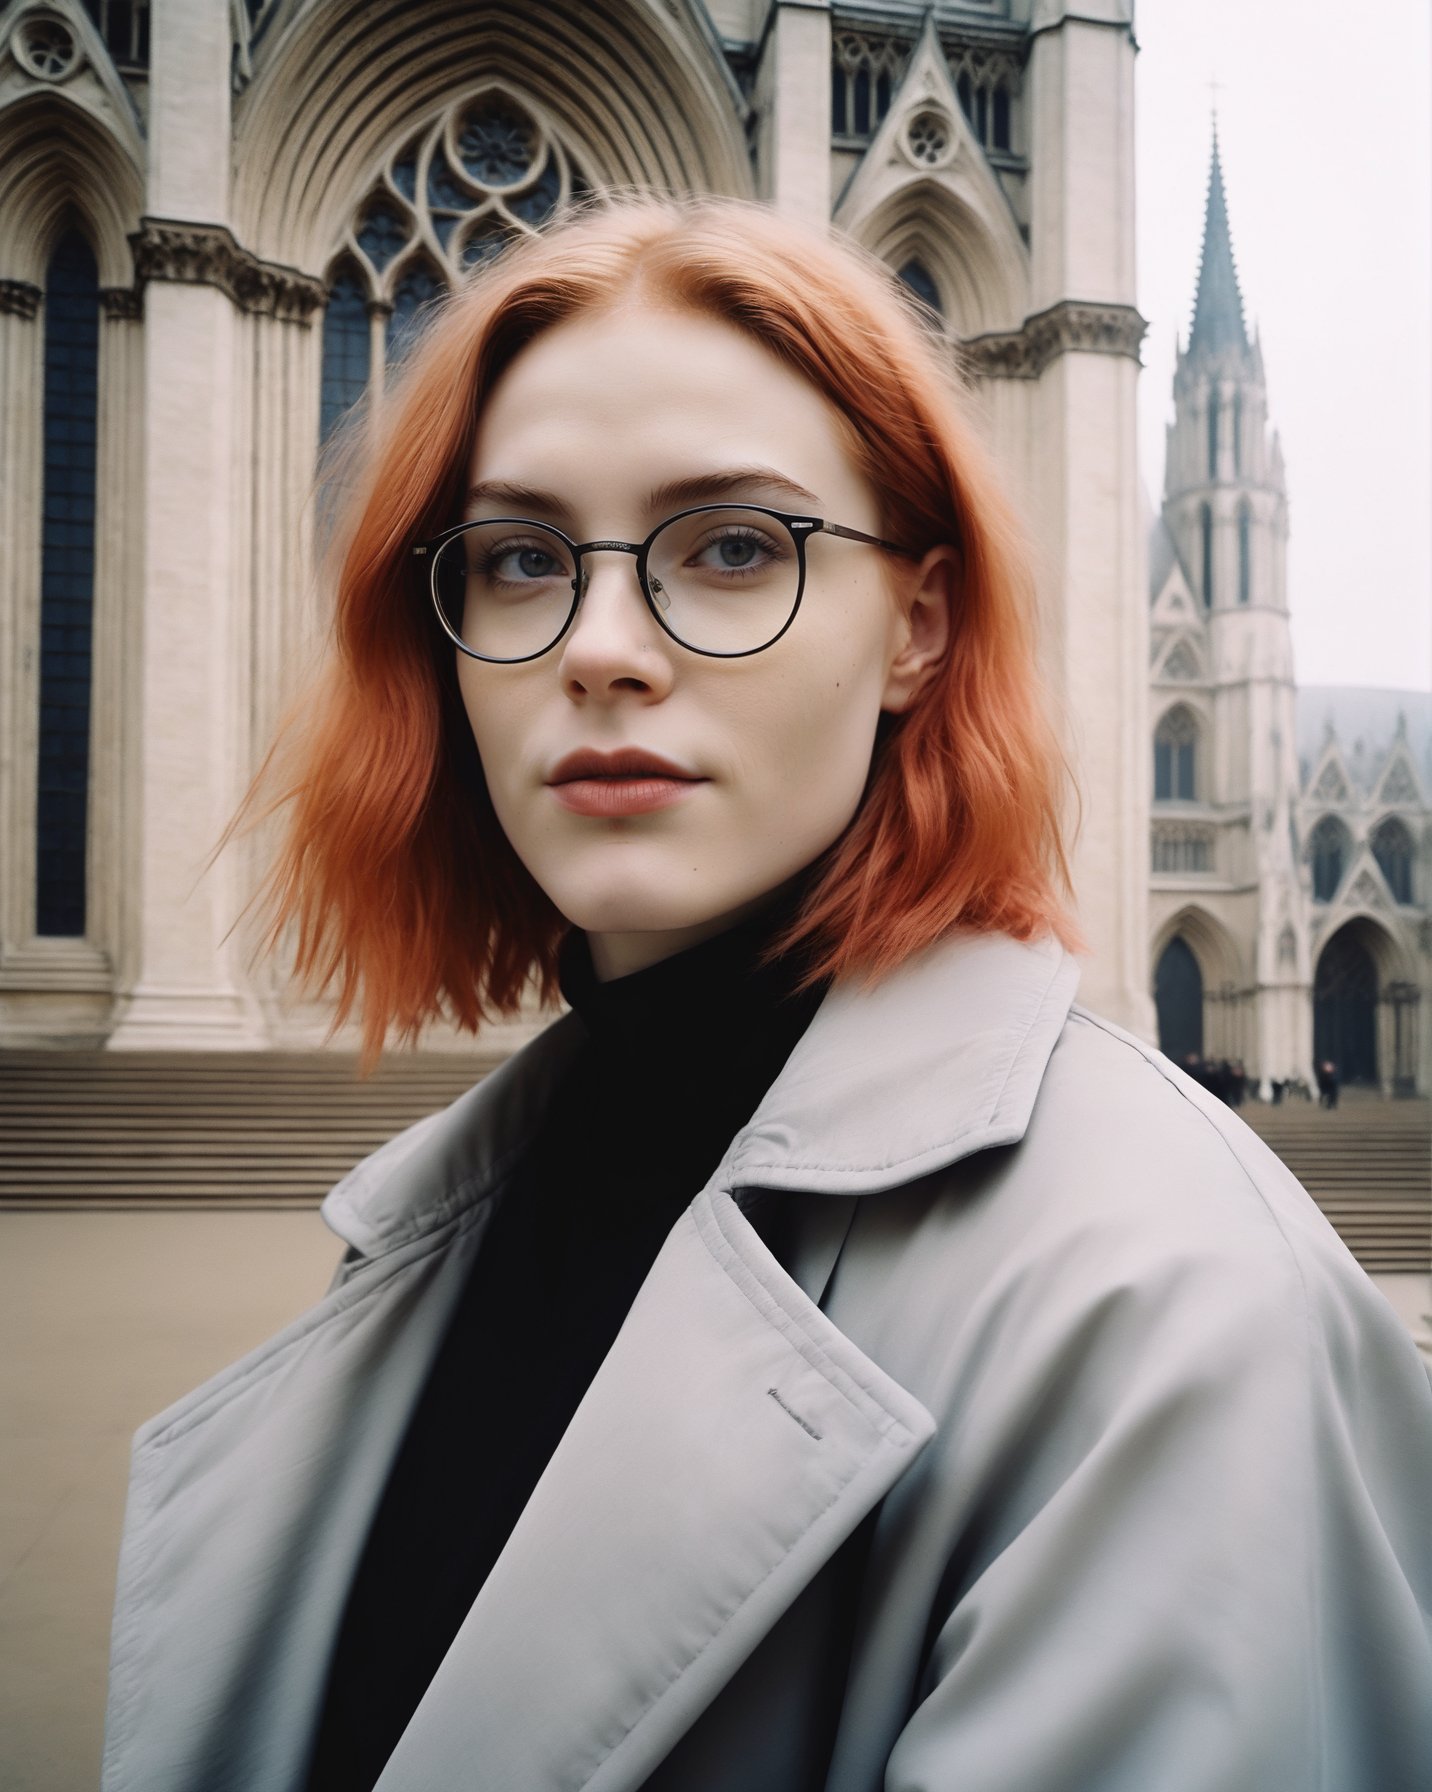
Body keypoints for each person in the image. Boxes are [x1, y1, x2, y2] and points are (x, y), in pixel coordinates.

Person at [102, 196, 1432, 1792]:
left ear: (918, 629)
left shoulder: (1177, 1315)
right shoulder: (460, 1225)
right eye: (521, 558)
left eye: (733, 546)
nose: (599, 647)